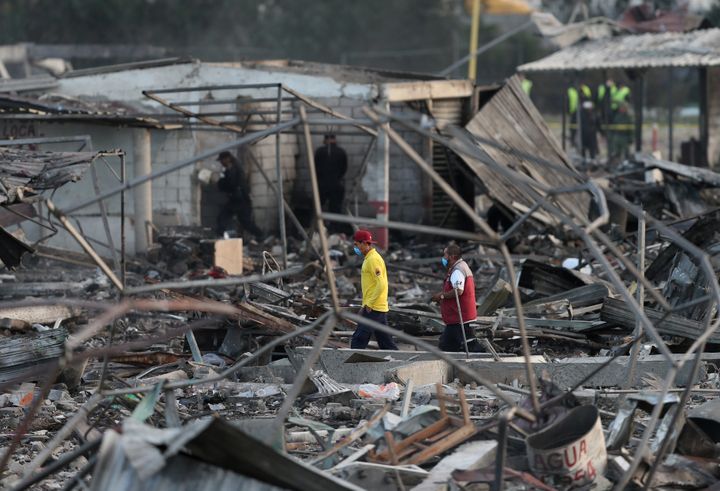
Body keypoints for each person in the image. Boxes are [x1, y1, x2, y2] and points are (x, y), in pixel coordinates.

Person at [350, 229, 398, 350]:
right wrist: (364, 304)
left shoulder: (373, 259)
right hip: (376, 306)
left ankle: (351, 366)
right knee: (386, 342)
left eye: (357, 244)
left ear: (365, 243)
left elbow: (381, 284)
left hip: (374, 307)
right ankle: (399, 361)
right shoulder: (369, 258)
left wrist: (369, 304)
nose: (355, 248)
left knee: (358, 339)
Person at [431, 244, 481, 352]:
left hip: (459, 316)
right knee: (459, 344)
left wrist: (441, 296)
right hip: (459, 316)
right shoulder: (459, 267)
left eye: (445, 255)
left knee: (448, 345)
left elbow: (458, 290)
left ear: (452, 256)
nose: (443, 258)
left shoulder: (458, 270)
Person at [215, 151, 262, 239]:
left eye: (222, 160)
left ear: (227, 159)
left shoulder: (233, 168)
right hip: (239, 199)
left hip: (239, 199)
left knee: (223, 217)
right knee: (245, 222)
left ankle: (219, 236)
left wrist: (220, 182)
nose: (221, 163)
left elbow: (231, 183)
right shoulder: (232, 167)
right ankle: (260, 235)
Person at [314, 133, 348, 215]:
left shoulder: (319, 151)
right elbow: (344, 168)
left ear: (325, 140)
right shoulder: (341, 152)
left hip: (322, 184)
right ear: (334, 139)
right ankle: (335, 226)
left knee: (318, 206)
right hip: (336, 184)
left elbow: (315, 168)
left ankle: (315, 225)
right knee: (336, 208)